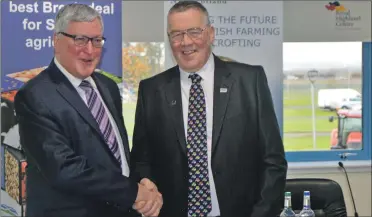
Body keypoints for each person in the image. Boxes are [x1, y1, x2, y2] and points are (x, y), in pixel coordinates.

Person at [130, 1, 288, 217]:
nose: (185, 42)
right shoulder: (151, 90)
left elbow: (273, 160)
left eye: (194, 31)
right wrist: (146, 185)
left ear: (211, 34)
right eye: (176, 34)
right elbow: (141, 159)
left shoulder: (249, 81)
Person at [14, 4, 162, 217]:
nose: (90, 50)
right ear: (56, 41)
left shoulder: (108, 87)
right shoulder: (35, 96)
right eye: (80, 40)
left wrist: (141, 181)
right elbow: (64, 169)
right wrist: (133, 192)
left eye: (96, 40)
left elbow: (115, 154)